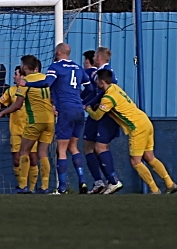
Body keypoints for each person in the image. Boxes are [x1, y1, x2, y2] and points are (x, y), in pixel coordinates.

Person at [85, 69, 177, 194]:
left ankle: (154, 190)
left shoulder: (108, 98)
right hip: (146, 121)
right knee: (150, 157)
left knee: (135, 161)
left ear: (101, 82)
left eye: (97, 81)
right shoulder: (115, 88)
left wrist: (88, 109)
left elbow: (97, 116)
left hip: (137, 128)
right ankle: (169, 183)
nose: (96, 84)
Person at [18, 43, 90, 194]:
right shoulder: (78, 68)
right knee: (74, 147)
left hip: (65, 110)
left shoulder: (55, 67)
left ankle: (62, 187)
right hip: (79, 110)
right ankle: (82, 180)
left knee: (62, 149)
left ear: (57, 52)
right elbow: (90, 89)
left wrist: (27, 83)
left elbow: (46, 83)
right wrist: (79, 99)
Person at [0, 55, 54, 194]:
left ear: (25, 67)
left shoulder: (26, 82)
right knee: (42, 152)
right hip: (49, 121)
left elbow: (18, 105)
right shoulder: (46, 78)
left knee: (23, 151)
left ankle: (23, 186)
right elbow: (52, 98)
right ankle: (45, 187)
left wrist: (1, 113)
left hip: (35, 121)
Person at [82, 47, 122, 194]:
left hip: (104, 115)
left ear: (97, 58)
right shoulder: (100, 72)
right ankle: (99, 182)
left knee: (100, 148)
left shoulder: (105, 74)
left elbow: (99, 92)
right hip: (96, 113)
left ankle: (112, 180)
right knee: (88, 146)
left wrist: (84, 102)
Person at [0, 66, 39, 192]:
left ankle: (31, 188)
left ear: (23, 76)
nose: (14, 76)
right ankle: (22, 186)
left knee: (33, 158)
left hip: (31, 128)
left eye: (16, 74)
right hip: (15, 130)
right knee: (16, 159)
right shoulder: (11, 90)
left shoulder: (33, 89)